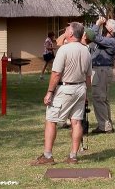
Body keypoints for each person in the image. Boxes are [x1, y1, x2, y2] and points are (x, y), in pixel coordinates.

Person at [31, 22, 92, 165]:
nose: (64, 30)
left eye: (67, 29)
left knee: (51, 120)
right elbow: (88, 77)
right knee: (76, 122)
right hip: (80, 88)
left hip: (65, 88)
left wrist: (49, 92)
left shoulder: (64, 50)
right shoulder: (86, 51)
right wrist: (86, 94)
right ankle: (73, 156)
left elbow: (56, 74)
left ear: (71, 34)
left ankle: (47, 156)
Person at [90, 17, 115, 134]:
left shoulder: (111, 41)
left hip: (101, 71)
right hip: (102, 70)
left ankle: (104, 126)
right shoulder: (105, 39)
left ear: (111, 29)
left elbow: (93, 36)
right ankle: (107, 124)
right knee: (103, 98)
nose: (104, 25)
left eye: (106, 24)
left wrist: (97, 24)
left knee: (99, 98)